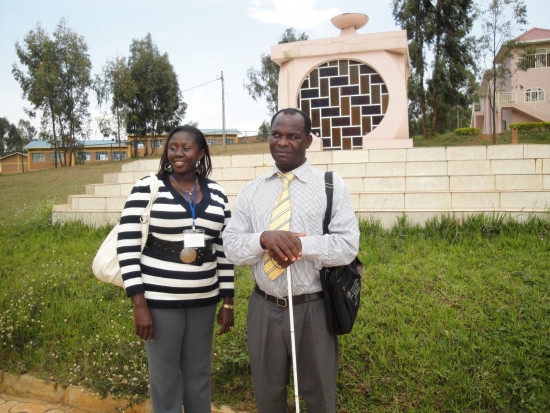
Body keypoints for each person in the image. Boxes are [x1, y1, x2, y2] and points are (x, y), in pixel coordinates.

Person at [223, 108, 359, 413]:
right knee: (268, 396)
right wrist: (263, 239)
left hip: (314, 308)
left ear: (308, 141)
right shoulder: (251, 190)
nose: (282, 142)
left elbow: (348, 245)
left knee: (319, 396)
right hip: (264, 307)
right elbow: (230, 245)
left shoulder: (331, 185)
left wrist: (296, 246)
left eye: (293, 136)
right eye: (276, 135)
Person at [117, 125, 235, 413]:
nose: (178, 153)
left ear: (201, 153)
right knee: (164, 378)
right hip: (159, 303)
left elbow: (224, 249)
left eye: (186, 147)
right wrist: (139, 303)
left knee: (198, 375)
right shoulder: (148, 187)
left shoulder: (217, 194)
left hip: (204, 302)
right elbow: (127, 245)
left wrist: (228, 301)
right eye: (172, 147)